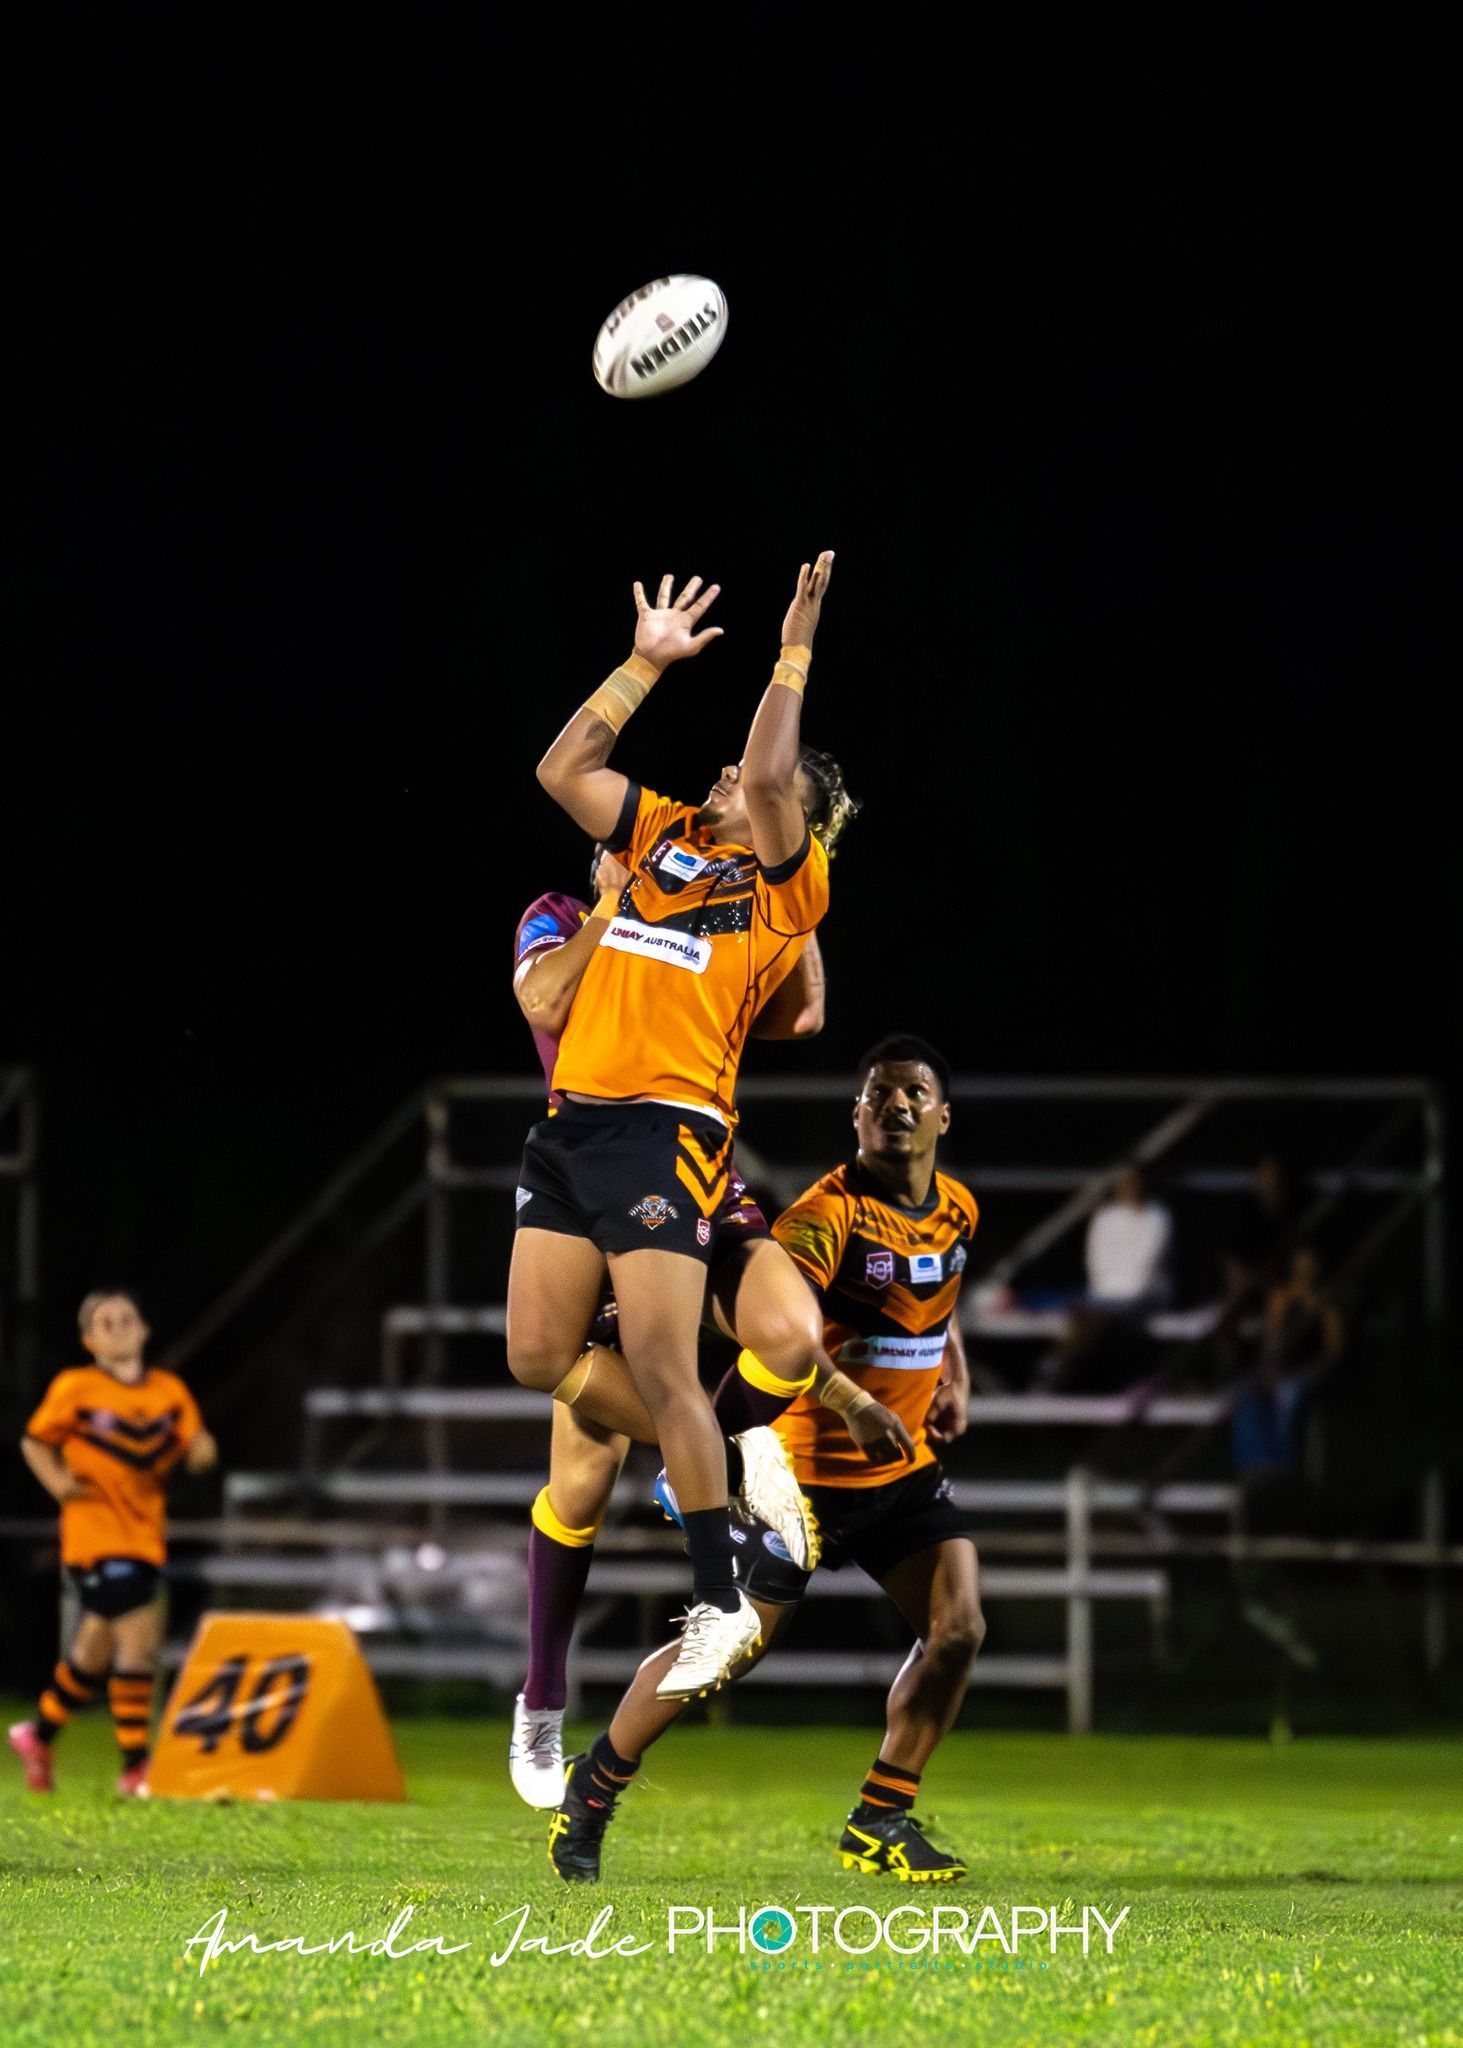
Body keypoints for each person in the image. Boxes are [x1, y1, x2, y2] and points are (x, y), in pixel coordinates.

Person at [506, 554, 857, 1702]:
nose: (729, 776)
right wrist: (641, 663)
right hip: (572, 1127)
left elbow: (765, 774)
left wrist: (788, 650)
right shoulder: (654, 836)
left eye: (762, 789)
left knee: (660, 1362)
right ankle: (716, 1450)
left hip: (668, 1132)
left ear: (792, 824)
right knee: (538, 1356)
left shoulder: (778, 894)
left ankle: (713, 1599)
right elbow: (563, 765)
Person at [508, 850, 908, 1808]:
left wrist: (793, 881)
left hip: (687, 1168)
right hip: (587, 1172)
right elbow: (547, 1006)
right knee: (582, 1472)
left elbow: (797, 1013)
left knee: (784, 1328)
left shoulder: (710, 916)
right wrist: (610, 904)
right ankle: (541, 1699)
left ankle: (715, 1473)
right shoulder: (562, 909)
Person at [546, 1036, 985, 1885]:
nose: (896, 1106)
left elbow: (940, 1296)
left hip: (899, 1472)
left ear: (941, 1113)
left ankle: (880, 1818)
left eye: (914, 1093)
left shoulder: (959, 1208)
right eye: (878, 1094)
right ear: (856, 1115)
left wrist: (952, 1373)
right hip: (801, 1476)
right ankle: (592, 1785)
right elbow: (773, 1333)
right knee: (725, 1647)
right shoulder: (828, 1217)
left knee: (958, 1626)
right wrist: (851, 1404)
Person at [8, 1291, 217, 1795]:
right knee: (139, 1642)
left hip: (145, 1536)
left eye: (127, 1318)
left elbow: (197, 1446)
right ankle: (135, 1767)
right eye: (106, 1322)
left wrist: (202, 1453)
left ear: (144, 1330)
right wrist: (59, 1483)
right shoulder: (76, 1388)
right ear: (89, 1340)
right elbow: (35, 1441)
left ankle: (37, 1735)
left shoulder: (169, 1391)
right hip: (94, 1539)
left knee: (92, 1656)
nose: (119, 1327)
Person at [1229, 1244, 1345, 1670]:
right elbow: (1272, 1348)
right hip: (1281, 1376)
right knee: (1256, 1391)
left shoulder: (1325, 1308)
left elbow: (1333, 1351)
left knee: (1292, 1394)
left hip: (1306, 1375)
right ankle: (1267, 1470)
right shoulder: (1283, 1302)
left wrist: (1318, 1311)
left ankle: (1282, 1469)